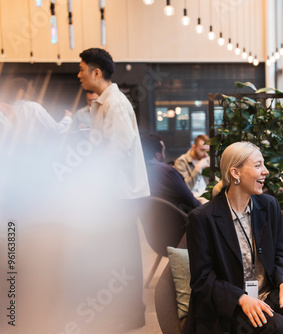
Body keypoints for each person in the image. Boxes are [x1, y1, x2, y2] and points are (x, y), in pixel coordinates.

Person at [185, 141, 283, 334]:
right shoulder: (202, 218)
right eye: (258, 165)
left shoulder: (269, 205)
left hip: (266, 292)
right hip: (229, 304)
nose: (265, 171)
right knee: (278, 327)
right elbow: (202, 280)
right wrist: (241, 298)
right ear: (235, 173)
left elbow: (280, 256)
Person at [75, 47, 150, 332]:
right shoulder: (103, 104)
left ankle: (133, 313)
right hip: (113, 193)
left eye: (82, 69)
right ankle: (122, 309)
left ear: (96, 72)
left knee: (126, 255)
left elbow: (118, 148)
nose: (78, 74)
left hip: (121, 194)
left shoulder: (115, 104)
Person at [141, 133, 201, 212]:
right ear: (158, 155)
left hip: (151, 220)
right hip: (180, 221)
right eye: (163, 151)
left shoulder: (140, 172)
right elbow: (191, 201)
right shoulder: (168, 172)